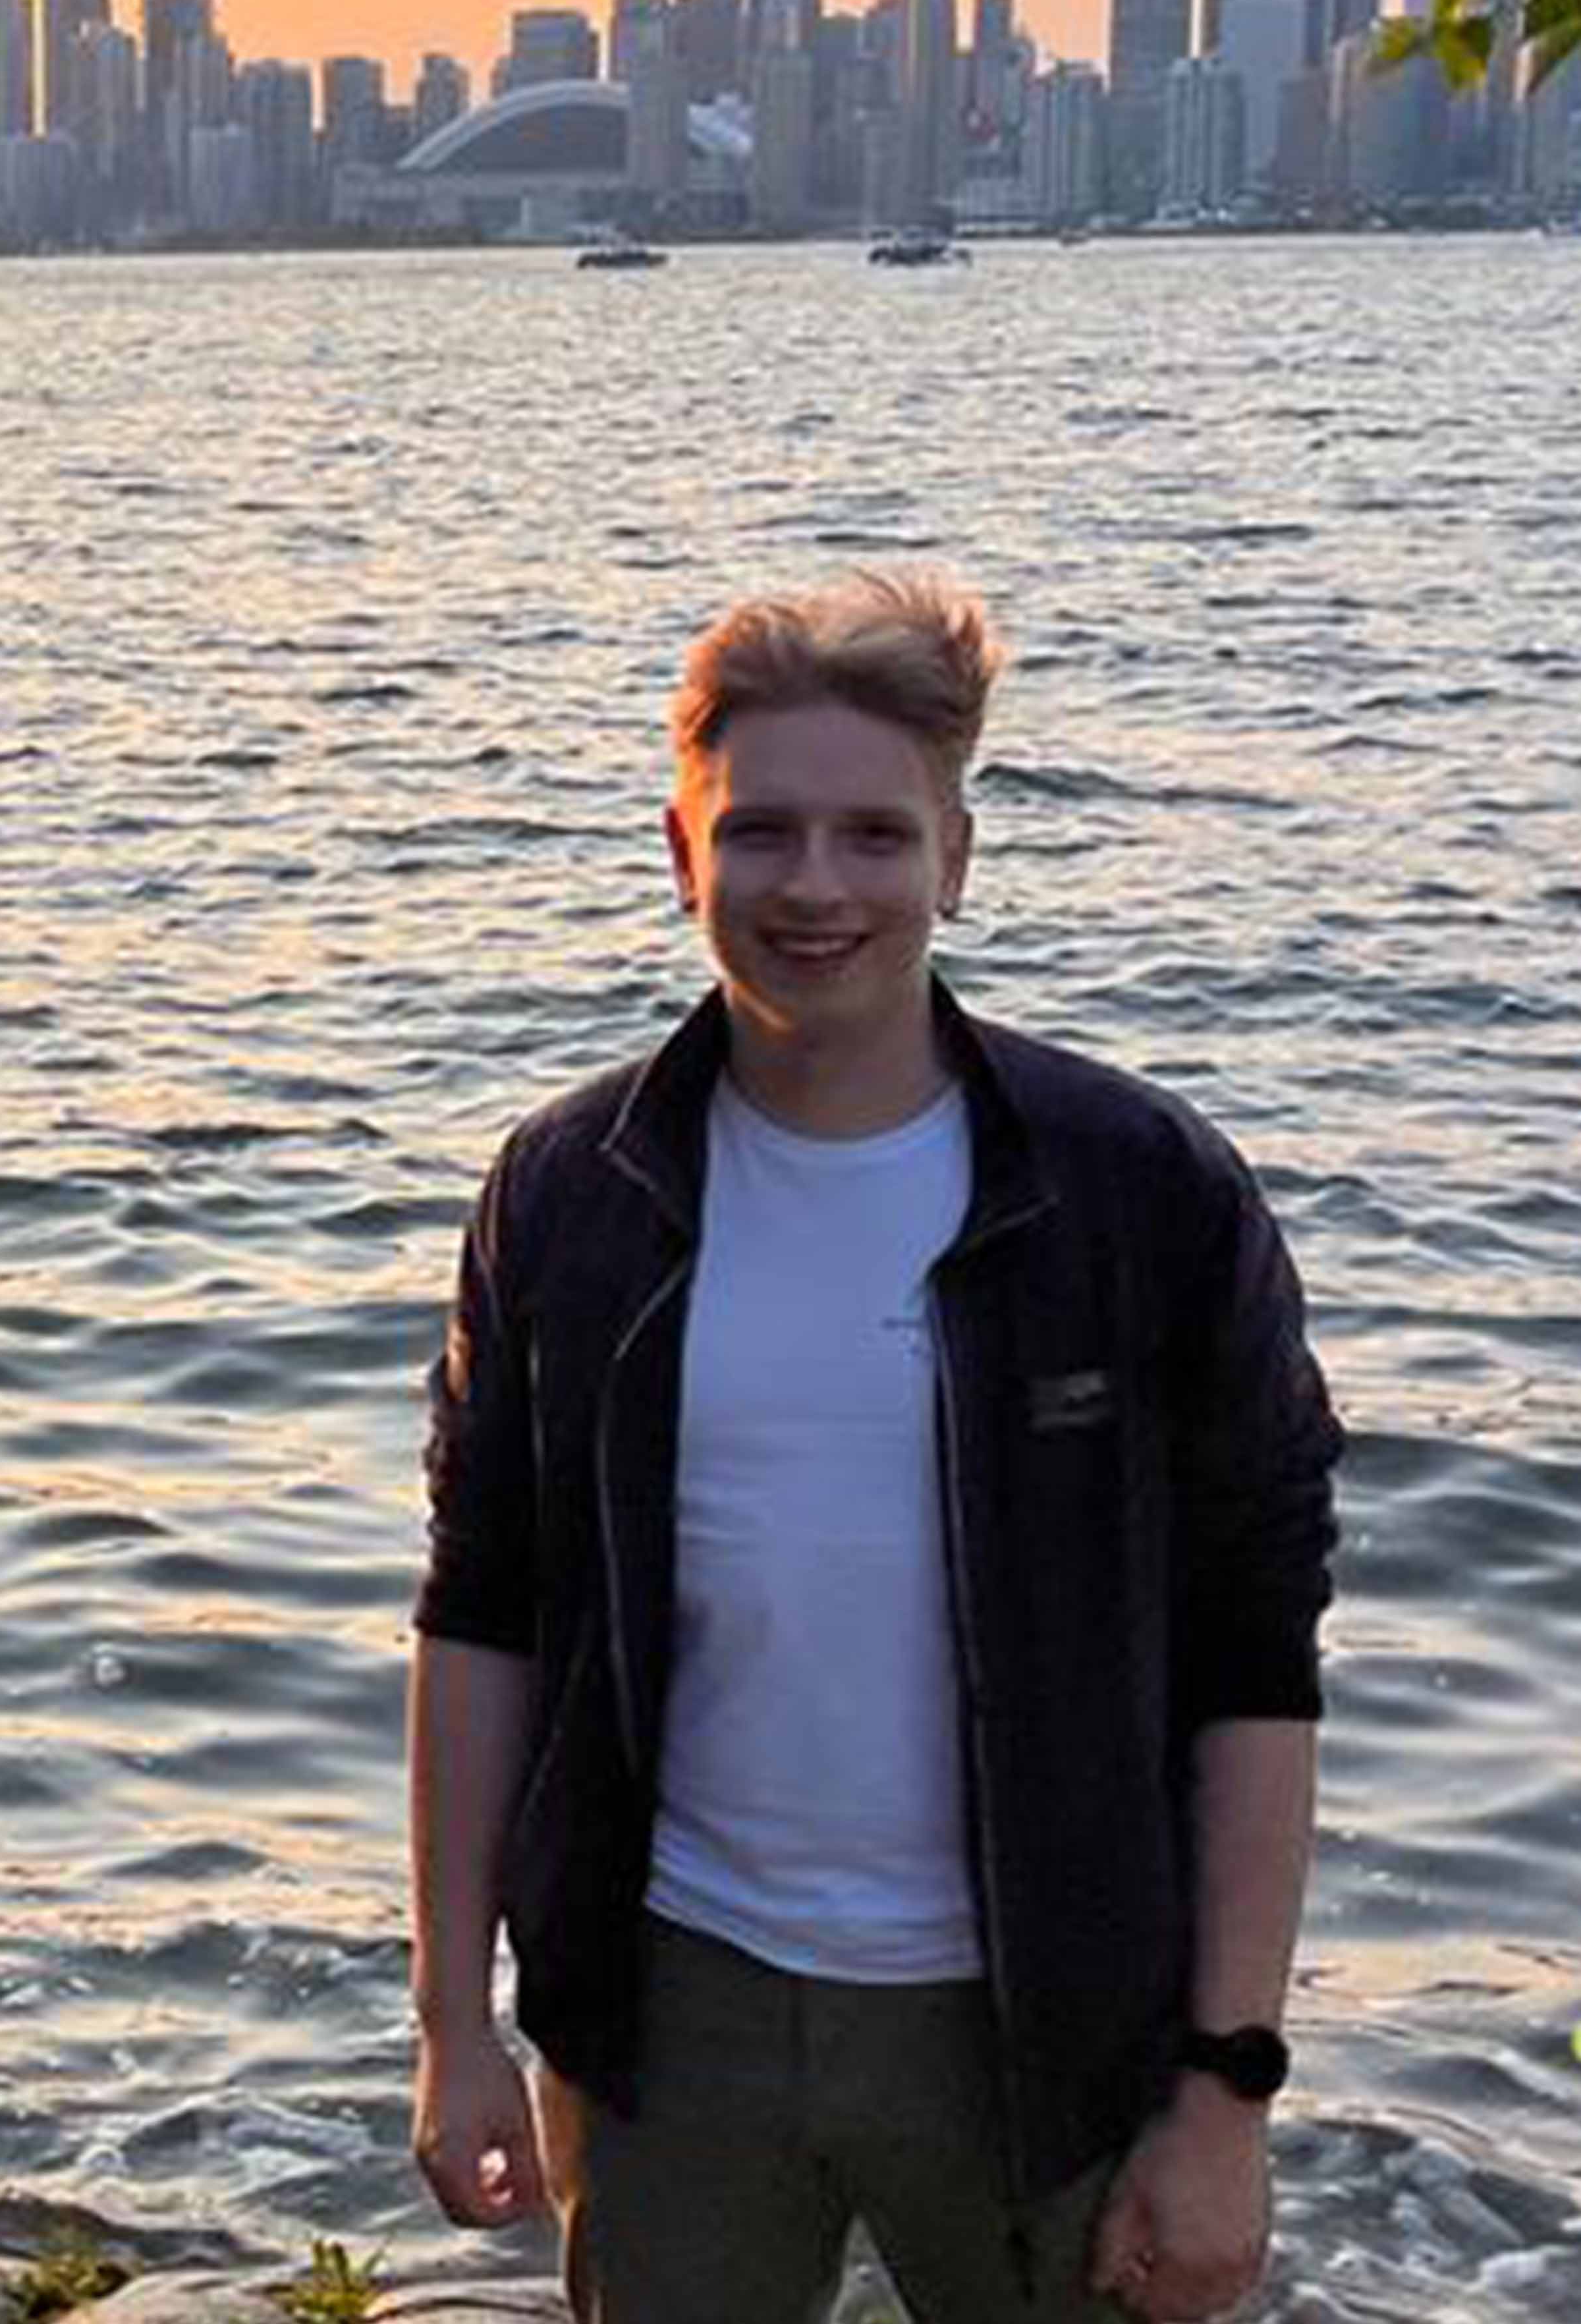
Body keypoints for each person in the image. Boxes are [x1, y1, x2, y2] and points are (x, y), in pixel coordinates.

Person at [402, 571, 1341, 2324]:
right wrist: (454, 2022)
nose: (812, 886)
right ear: (680, 853)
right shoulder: (565, 1192)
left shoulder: (1139, 1191)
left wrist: (1223, 2096)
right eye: (759, 833)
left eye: (870, 834)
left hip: (1048, 2025)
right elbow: (480, 1618)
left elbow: (1251, 1661)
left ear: (954, 856)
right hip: (670, 2014)